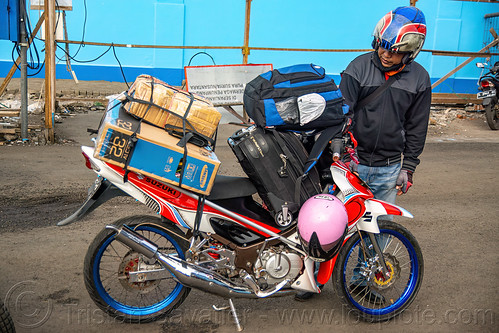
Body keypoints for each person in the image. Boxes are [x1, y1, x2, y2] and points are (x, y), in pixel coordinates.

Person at [295, 5, 431, 302]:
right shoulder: (357, 68)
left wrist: (408, 167)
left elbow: (417, 127)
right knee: (323, 223)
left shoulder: (419, 80)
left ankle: (360, 283)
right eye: (382, 46)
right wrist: (338, 151)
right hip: (351, 167)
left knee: (375, 232)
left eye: (394, 51)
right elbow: (341, 115)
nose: (385, 54)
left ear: (410, 52)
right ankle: (309, 279)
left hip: (388, 169)